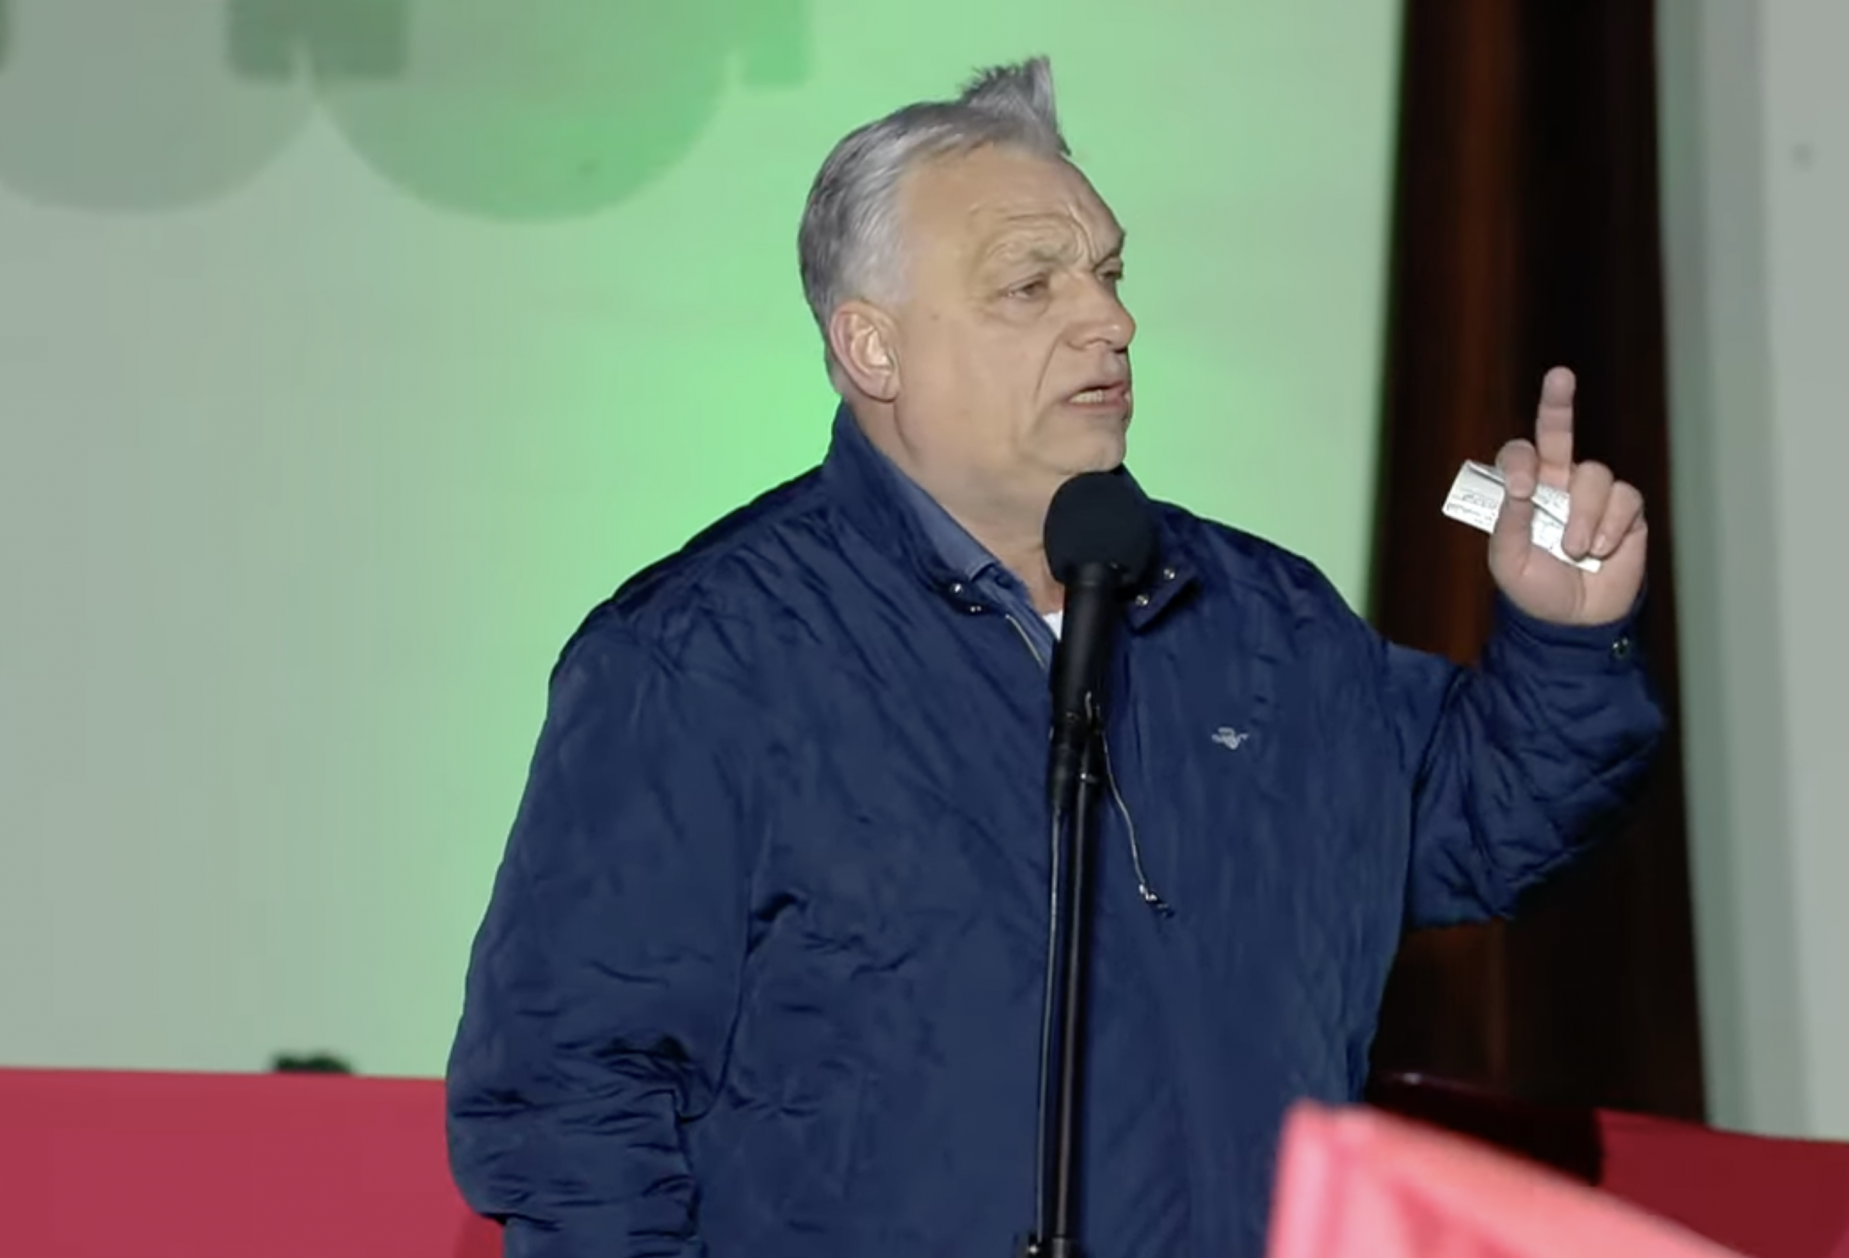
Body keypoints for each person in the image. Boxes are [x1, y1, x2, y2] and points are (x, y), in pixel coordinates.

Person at [444, 56, 1661, 1258]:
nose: (1110, 322)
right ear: (871, 350)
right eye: (1032, 286)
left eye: (1108, 274)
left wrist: (1565, 633)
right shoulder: (702, 660)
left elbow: (1478, 822)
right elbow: (571, 1102)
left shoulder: (1259, 619)